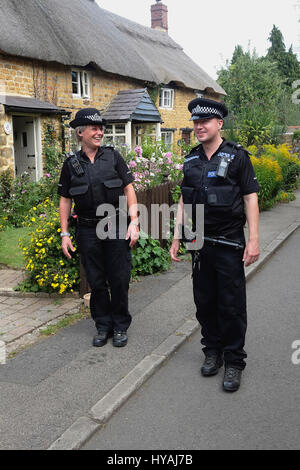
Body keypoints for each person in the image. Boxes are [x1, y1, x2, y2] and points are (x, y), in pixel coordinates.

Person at [170, 98, 260, 392]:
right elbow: (184, 198)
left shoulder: (237, 157)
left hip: (230, 240)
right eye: (196, 122)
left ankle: (234, 361)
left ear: (219, 123)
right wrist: (176, 234)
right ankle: (213, 352)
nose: (199, 127)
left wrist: (255, 240)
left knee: (231, 305)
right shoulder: (191, 159)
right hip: (199, 242)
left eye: (205, 122)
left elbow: (250, 197)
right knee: (205, 301)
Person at [58, 108, 139, 348]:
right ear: (80, 132)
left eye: (101, 128)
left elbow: (129, 189)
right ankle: (103, 325)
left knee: (120, 278)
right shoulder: (71, 164)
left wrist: (134, 222)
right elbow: (64, 199)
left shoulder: (113, 157)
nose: (99, 132)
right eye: (94, 128)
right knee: (96, 280)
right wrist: (64, 233)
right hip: (87, 230)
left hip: (115, 224)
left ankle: (121, 326)